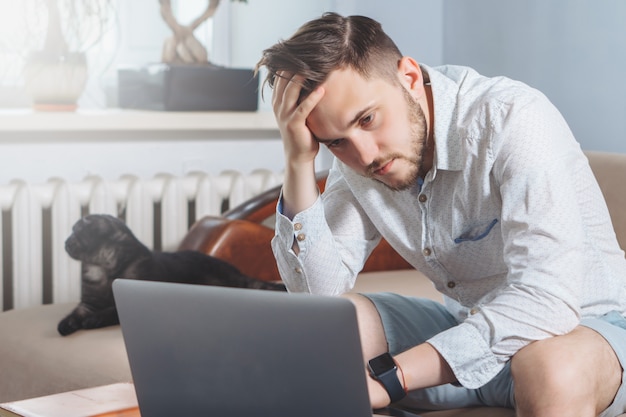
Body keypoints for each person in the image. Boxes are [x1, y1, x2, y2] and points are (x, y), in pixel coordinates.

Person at [255, 12, 626, 417]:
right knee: (335, 330)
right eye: (337, 141)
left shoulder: (511, 119)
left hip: (587, 327)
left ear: (409, 76)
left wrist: (396, 375)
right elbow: (317, 297)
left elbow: (548, 299)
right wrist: (298, 162)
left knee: (552, 368)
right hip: (469, 326)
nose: (364, 155)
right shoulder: (358, 161)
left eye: (368, 119)